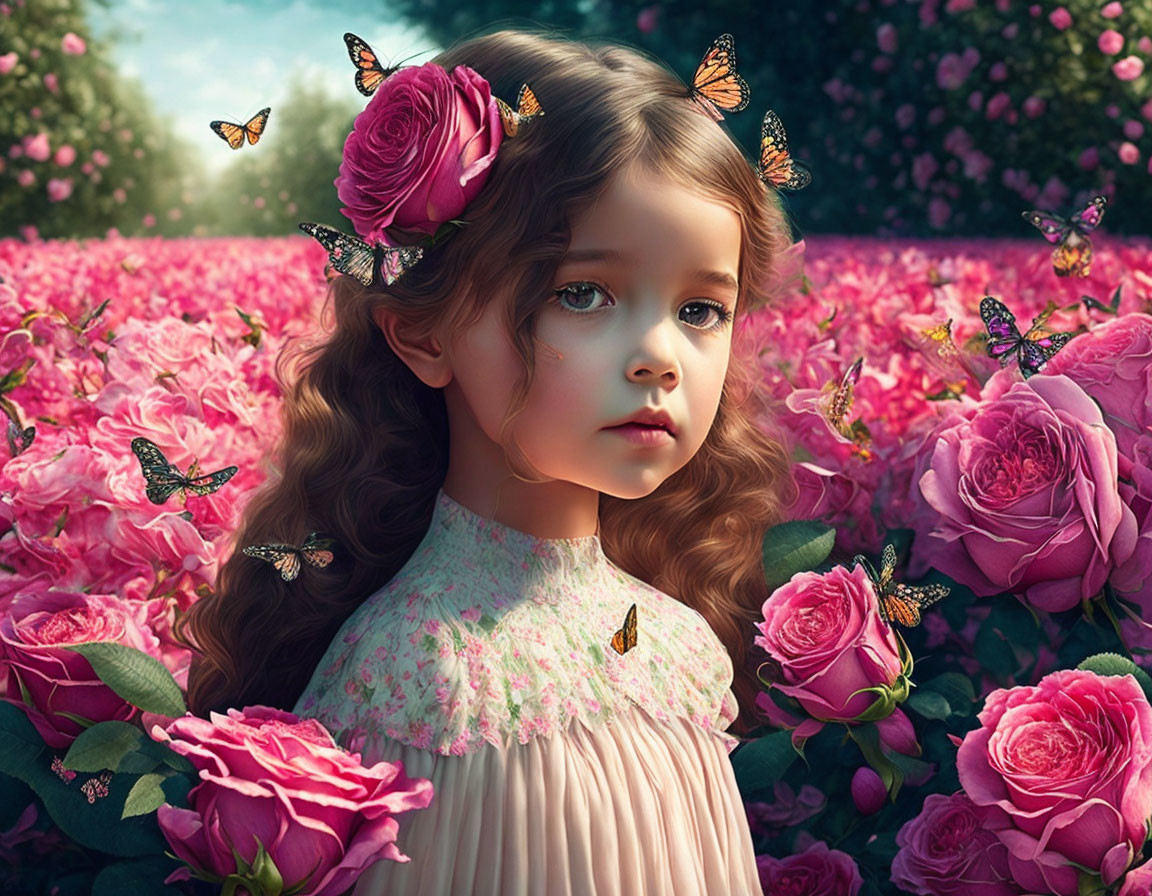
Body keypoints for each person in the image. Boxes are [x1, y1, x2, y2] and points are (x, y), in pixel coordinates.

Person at [181, 27, 797, 895]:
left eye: (701, 309)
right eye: (581, 294)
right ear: (424, 333)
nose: (660, 356)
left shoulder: (678, 646)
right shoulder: (418, 680)